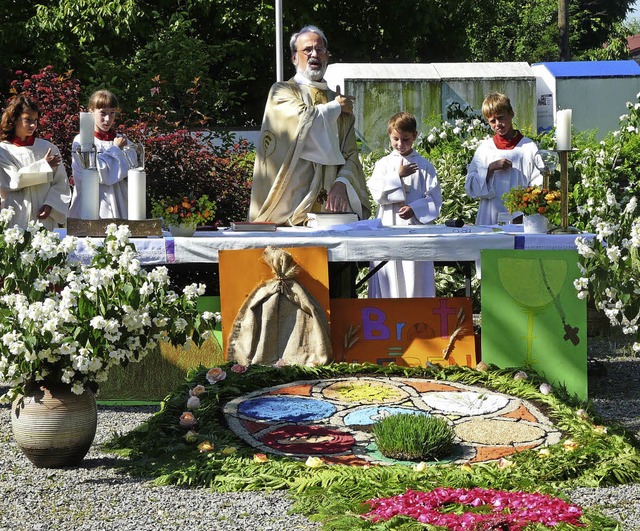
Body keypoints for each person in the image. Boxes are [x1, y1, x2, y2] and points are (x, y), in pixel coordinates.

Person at [248, 25, 370, 226]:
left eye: (320, 49)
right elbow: (302, 123)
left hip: (328, 212)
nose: (314, 54)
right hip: (287, 208)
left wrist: (342, 183)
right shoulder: (282, 91)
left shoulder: (337, 101)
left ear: (327, 56)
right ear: (295, 58)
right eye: (307, 50)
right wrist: (335, 108)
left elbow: (350, 154)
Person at [367, 112, 442, 298]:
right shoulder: (383, 164)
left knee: (415, 277)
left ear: (415, 136)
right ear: (389, 136)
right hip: (389, 226)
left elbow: (434, 199)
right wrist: (397, 176)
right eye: (396, 139)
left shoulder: (425, 166)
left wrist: (415, 209)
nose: (400, 144)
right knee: (389, 277)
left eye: (405, 139)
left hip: (415, 230)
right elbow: (377, 194)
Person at [465, 92, 541, 225]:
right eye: (492, 121)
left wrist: (523, 212)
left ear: (511, 114)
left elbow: (538, 183)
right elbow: (470, 185)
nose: (498, 124)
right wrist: (489, 169)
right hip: (489, 216)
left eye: (501, 118)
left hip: (521, 218)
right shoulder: (485, 149)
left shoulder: (528, 147)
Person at [0, 94, 71, 230]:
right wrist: (44, 166)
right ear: (14, 119)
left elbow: (61, 183)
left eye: (36, 120)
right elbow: (13, 180)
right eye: (27, 120)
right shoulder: (3, 150)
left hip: (44, 215)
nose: (33, 125)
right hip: (17, 214)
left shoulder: (48, 148)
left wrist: (51, 204)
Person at [68, 89, 130, 219]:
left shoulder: (123, 141)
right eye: (103, 113)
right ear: (91, 112)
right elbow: (99, 173)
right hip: (90, 204)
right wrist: (115, 150)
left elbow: (131, 172)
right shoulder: (82, 141)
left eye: (112, 113)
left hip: (119, 203)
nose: (108, 119)